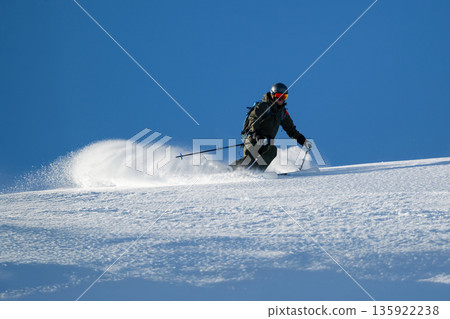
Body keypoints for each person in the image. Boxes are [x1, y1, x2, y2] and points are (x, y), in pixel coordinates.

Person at [232, 82, 312, 171]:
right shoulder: (263, 106)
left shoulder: (282, 113)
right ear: (272, 95)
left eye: (284, 97)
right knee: (249, 159)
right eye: (279, 96)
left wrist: (303, 141)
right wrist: (258, 135)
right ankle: (228, 170)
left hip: (266, 143)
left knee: (272, 150)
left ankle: (256, 171)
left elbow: (291, 130)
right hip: (253, 139)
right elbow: (253, 120)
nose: (281, 99)